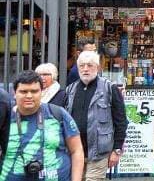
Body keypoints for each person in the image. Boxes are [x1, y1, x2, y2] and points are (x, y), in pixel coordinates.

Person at [1, 70, 84, 181]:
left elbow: (77, 150)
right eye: (23, 91)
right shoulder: (4, 116)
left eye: (34, 91)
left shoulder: (58, 113)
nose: (29, 96)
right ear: (14, 93)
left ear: (42, 92)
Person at [64, 50, 127, 181]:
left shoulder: (110, 89)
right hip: (75, 153)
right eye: (82, 66)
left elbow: (121, 121)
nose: (85, 69)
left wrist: (117, 150)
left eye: (90, 65)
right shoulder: (70, 90)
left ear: (98, 68)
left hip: (99, 153)